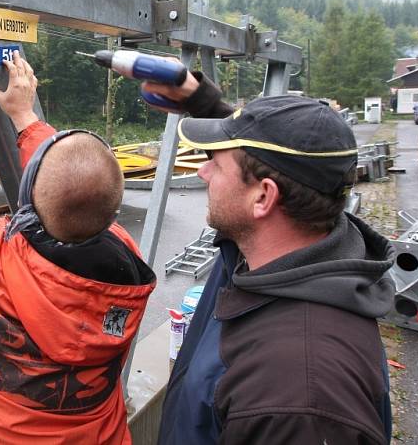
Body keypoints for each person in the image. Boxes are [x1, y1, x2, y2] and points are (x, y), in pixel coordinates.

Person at [0, 18, 156, 444]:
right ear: (112, 213)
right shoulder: (125, 273)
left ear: (27, 201)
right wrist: (25, 116)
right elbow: (71, 185)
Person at [140, 73, 395, 444]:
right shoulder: (284, 249)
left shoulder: (298, 401)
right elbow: (267, 160)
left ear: (263, 198)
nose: (203, 170)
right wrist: (206, 106)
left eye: (217, 164)